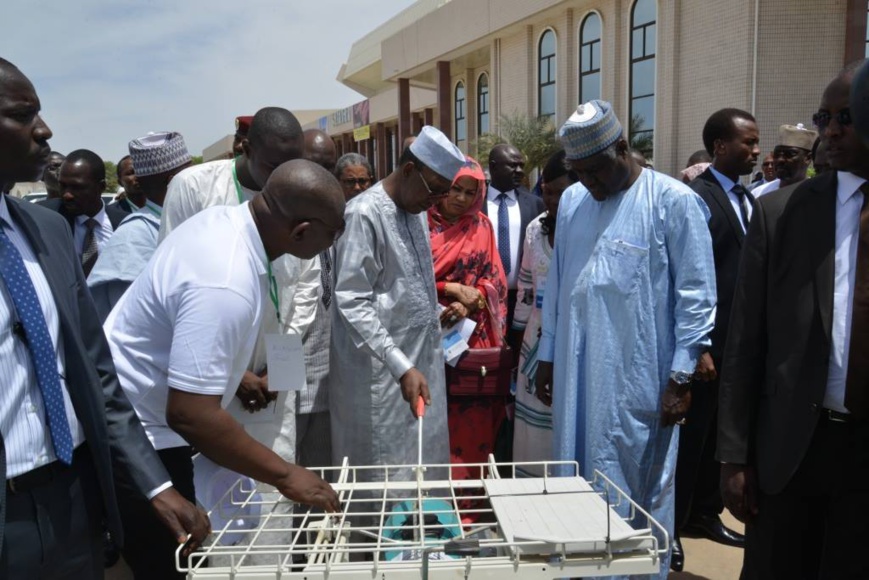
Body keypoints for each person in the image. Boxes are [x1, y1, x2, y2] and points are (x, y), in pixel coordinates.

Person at [0, 55, 209, 580]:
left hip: (72, 502)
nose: (44, 130)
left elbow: (97, 375)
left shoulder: (43, 233)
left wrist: (156, 485)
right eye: (23, 115)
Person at [104, 159, 344, 579]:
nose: (335, 240)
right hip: (141, 433)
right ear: (302, 231)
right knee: (166, 564)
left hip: (152, 420)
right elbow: (190, 413)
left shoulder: (230, 222)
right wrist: (286, 475)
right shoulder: (224, 279)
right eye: (334, 232)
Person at [535, 101, 716, 578]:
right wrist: (548, 356)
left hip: (640, 378)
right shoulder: (574, 201)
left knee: (638, 486)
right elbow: (558, 286)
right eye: (579, 173)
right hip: (577, 375)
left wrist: (681, 377)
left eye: (595, 171)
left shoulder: (673, 202)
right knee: (575, 479)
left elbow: (697, 297)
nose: (589, 183)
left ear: (621, 148)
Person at [717, 62, 869, 579]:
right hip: (791, 452)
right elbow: (745, 342)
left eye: (846, 116)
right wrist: (734, 458)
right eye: (823, 116)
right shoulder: (781, 213)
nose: (831, 130)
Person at [330, 126, 464, 513]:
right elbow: (351, 302)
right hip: (381, 381)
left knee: (424, 487)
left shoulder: (415, 210)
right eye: (435, 189)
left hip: (422, 368)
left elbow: (406, 290)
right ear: (408, 171)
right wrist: (401, 366)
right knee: (383, 491)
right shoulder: (363, 214)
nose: (438, 201)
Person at [675, 108, 758, 570]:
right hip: (707, 346)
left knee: (718, 441)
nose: (756, 150)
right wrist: (699, 346)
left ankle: (704, 514)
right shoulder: (696, 198)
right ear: (720, 147)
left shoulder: (748, 199)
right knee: (691, 440)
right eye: (747, 142)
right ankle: (673, 520)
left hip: (739, 344)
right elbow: (687, 275)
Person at [428, 156, 509, 483]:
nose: (461, 198)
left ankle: (469, 507)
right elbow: (403, 279)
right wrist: (449, 288)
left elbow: (496, 282)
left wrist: (471, 301)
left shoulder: (482, 227)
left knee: (471, 426)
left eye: (469, 192)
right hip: (423, 338)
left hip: (470, 342)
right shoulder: (420, 225)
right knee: (429, 421)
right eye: (454, 189)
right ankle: (431, 505)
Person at [511, 150, 577, 476]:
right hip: (533, 345)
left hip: (570, 345)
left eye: (560, 192)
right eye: (546, 191)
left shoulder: (586, 229)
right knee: (532, 431)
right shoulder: (535, 229)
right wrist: (515, 339)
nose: (550, 199)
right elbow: (525, 287)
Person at [87, 132, 192, 322]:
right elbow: (130, 322)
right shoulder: (133, 236)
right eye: (192, 173)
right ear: (174, 181)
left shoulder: (191, 218)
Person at [159, 106, 304, 241]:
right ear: (247, 150)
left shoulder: (302, 194)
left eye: (293, 166)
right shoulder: (191, 186)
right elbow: (171, 261)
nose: (286, 176)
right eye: (275, 166)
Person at [484, 144, 545, 332]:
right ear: (493, 167)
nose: (520, 171)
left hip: (523, 300)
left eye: (521, 166)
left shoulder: (535, 205)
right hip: (484, 300)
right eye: (513, 166)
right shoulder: (475, 203)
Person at [38, 149, 128, 276]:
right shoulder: (44, 216)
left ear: (101, 187)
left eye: (77, 187)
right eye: (63, 186)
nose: (67, 195)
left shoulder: (124, 223)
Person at [752, 123, 818, 197]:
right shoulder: (759, 194)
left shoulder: (818, 195)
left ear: (808, 158)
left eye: (789, 154)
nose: (780, 160)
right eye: (777, 154)